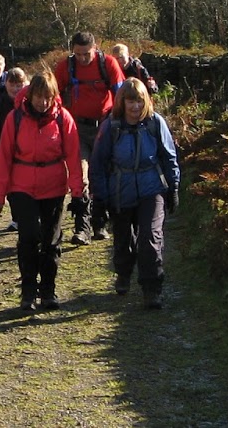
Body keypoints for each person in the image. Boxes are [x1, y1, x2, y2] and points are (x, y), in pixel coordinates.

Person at [0, 70, 82, 312]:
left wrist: (77, 191)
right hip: (21, 186)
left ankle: (48, 290)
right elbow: (3, 158)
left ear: (54, 96)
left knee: (51, 240)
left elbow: (73, 157)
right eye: (38, 97)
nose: (43, 103)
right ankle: (28, 290)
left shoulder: (63, 119)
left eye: (47, 97)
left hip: (53, 186)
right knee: (29, 236)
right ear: (30, 96)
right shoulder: (15, 118)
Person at [90, 78, 180, 309]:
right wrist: (99, 199)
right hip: (120, 190)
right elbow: (98, 164)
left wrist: (174, 187)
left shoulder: (155, 123)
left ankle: (152, 288)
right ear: (122, 102)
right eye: (131, 101)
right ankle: (123, 272)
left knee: (150, 238)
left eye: (140, 101)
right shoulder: (111, 127)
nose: (135, 107)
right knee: (123, 239)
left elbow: (169, 157)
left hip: (152, 188)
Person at [56, 31, 125, 245]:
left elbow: (121, 94)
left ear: (94, 48)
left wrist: (118, 120)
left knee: (102, 175)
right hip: (76, 128)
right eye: (78, 54)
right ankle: (81, 228)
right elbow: (53, 95)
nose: (83, 58)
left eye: (86, 54)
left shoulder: (109, 64)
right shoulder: (65, 67)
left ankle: (100, 224)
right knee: (80, 177)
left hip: (104, 129)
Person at [0, 67, 28, 231]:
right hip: (3, 147)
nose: (16, 88)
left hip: (26, 149)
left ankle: (23, 217)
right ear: (6, 83)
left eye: (19, 84)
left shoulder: (30, 101)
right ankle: (17, 217)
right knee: (5, 183)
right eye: (13, 84)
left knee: (22, 183)